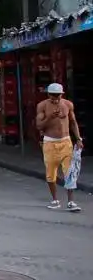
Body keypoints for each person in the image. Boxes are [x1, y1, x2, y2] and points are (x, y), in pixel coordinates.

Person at [36, 83, 82, 212]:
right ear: (48, 94)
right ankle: (55, 200)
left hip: (66, 142)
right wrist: (50, 117)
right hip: (50, 143)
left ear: (62, 94)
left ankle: (71, 201)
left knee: (70, 172)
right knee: (51, 174)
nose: (55, 98)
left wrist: (78, 139)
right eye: (52, 95)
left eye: (58, 95)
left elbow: (73, 122)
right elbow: (39, 126)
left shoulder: (68, 104)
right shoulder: (42, 106)